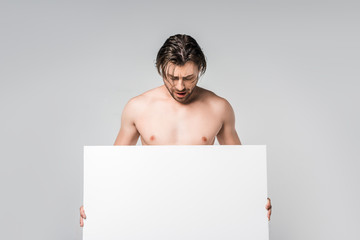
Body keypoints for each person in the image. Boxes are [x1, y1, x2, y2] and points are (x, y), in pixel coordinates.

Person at [80, 34, 272, 227]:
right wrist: (95, 205)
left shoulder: (219, 108)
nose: (180, 86)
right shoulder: (138, 108)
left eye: (189, 78)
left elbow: (240, 168)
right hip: (149, 210)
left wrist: (257, 200)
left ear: (200, 70)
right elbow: (113, 168)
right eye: (173, 78)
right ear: (161, 70)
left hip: (204, 210)